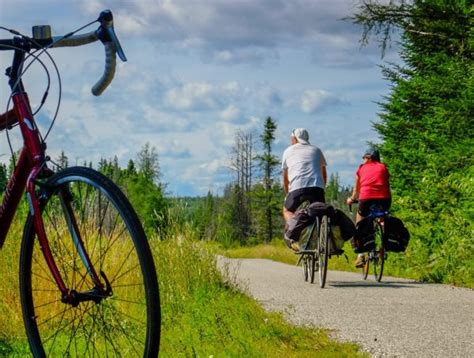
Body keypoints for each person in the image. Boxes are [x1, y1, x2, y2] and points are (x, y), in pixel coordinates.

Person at [282, 128, 327, 251]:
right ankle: (320, 240)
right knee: (319, 212)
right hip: (317, 187)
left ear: (295, 139)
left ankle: (295, 234)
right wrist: (323, 189)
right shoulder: (317, 150)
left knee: (287, 210)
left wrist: (288, 194)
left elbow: (285, 178)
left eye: (292, 139)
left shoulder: (288, 151)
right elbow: (323, 173)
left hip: (297, 188)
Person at [346, 147, 391, 267]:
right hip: (384, 199)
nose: (364, 160)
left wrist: (352, 199)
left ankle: (360, 256)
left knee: (360, 220)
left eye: (365, 158)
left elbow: (356, 190)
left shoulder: (361, 168)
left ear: (369, 158)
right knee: (382, 216)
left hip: (366, 198)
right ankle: (383, 243)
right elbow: (386, 182)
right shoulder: (383, 167)